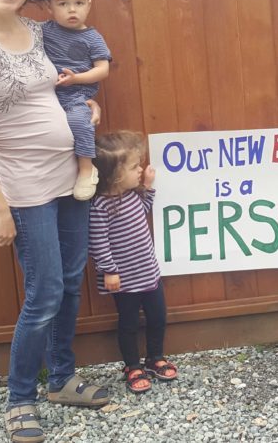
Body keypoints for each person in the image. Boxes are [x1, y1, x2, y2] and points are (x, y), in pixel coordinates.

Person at [0, 0, 109, 443]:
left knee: (71, 280)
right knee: (45, 291)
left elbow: (71, 76)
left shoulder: (38, 31)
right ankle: (19, 399)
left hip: (70, 178)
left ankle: (61, 379)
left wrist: (87, 103)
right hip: (25, 189)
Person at [89, 130, 178, 394]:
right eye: (134, 167)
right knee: (128, 324)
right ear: (114, 175)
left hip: (149, 273)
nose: (140, 169)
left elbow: (143, 210)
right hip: (124, 280)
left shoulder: (132, 196)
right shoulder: (101, 206)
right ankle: (132, 365)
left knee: (158, 317)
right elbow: (98, 242)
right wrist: (109, 271)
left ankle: (155, 357)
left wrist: (148, 187)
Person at [42, 0, 110, 201]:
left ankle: (86, 169)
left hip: (76, 96)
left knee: (80, 122)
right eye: (63, 4)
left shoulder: (92, 38)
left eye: (79, 3)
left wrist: (76, 79)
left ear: (88, 5)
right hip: (47, 97)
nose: (72, 10)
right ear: (49, 7)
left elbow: (103, 69)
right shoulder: (43, 31)